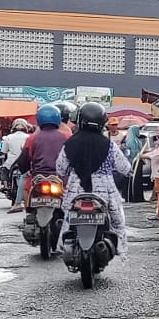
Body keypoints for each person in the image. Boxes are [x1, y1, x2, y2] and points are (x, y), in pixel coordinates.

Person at [56, 102, 132, 256]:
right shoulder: (109, 145)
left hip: (76, 189)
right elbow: (125, 168)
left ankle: (63, 246)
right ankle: (118, 247)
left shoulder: (71, 143)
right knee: (117, 220)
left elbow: (60, 168)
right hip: (104, 191)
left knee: (68, 218)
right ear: (102, 122)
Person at [14, 105, 70, 201]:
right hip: (60, 177)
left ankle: (29, 213)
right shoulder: (66, 136)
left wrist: (24, 170)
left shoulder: (32, 138)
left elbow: (23, 160)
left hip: (38, 176)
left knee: (27, 188)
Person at [0, 118, 32, 213]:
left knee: (3, 170)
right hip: (26, 162)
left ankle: (5, 185)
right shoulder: (29, 137)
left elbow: (4, 151)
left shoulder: (8, 137)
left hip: (11, 162)